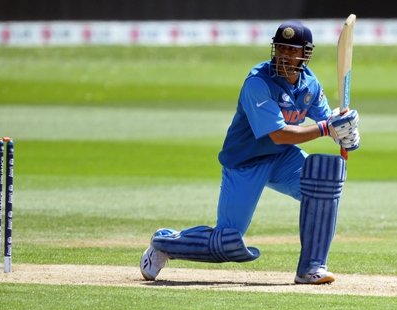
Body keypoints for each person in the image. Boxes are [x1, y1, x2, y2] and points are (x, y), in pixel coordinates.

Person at [140, 20, 360, 284]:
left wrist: (346, 132)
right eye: (281, 48)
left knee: (324, 183)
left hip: (281, 159)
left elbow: (330, 120)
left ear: (305, 54)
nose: (285, 55)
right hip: (246, 161)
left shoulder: (309, 85)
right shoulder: (258, 83)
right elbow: (279, 134)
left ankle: (311, 268)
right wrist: (327, 128)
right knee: (225, 242)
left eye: (292, 50)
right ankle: (164, 243)